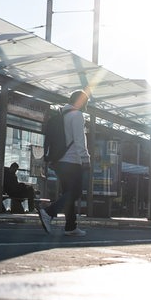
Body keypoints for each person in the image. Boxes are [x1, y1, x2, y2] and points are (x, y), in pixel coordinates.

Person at [38, 90, 90, 237]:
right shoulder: (77, 115)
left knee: (68, 193)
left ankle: (70, 226)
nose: (86, 105)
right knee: (76, 192)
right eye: (85, 102)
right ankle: (48, 212)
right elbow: (79, 140)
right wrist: (85, 159)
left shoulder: (62, 115)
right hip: (72, 161)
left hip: (60, 161)